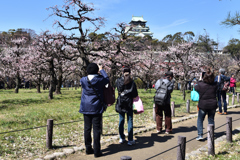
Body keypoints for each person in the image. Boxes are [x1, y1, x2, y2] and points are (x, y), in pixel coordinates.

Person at [79, 63, 109, 158]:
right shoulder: (100, 80)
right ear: (97, 71)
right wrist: (102, 70)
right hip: (96, 107)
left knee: (87, 129)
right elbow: (107, 79)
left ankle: (88, 149)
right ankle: (97, 151)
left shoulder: (83, 80)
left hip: (85, 107)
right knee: (96, 129)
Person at [115, 67, 138, 146]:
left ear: (122, 72)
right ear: (130, 73)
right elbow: (135, 94)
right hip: (129, 103)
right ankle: (130, 139)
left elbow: (117, 89)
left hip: (121, 102)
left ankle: (121, 138)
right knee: (130, 120)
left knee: (121, 120)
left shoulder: (118, 80)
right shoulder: (132, 82)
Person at [194, 68, 218, 141]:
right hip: (213, 104)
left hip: (203, 105)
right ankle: (211, 135)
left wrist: (200, 80)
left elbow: (195, 87)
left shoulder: (200, 84)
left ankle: (200, 134)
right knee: (211, 120)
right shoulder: (215, 84)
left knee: (200, 120)